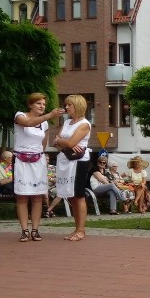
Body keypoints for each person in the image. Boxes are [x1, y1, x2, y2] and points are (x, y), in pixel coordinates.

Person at [13, 92, 65, 241]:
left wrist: (40, 155)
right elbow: (28, 123)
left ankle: (35, 230)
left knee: (37, 196)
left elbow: (44, 142)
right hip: (21, 159)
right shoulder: (20, 116)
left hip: (37, 159)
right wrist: (49, 115)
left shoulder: (44, 123)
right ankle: (24, 230)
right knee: (22, 196)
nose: (42, 106)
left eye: (43, 104)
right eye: (38, 103)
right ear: (30, 104)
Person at [53, 94, 92, 241]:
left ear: (77, 106)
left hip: (78, 162)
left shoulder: (84, 124)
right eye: (66, 104)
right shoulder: (67, 122)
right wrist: (62, 141)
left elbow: (69, 143)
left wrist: (61, 141)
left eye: (69, 105)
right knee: (71, 196)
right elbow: (55, 143)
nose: (66, 107)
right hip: (65, 160)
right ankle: (76, 229)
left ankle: (81, 230)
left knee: (78, 195)